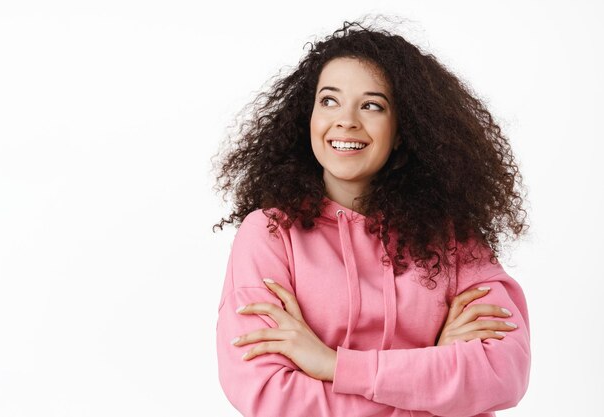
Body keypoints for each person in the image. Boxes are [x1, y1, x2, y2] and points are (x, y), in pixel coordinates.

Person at [212, 17, 530, 417]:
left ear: (401, 131)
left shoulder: (452, 237)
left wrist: (332, 364)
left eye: (372, 105)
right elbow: (268, 395)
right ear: (306, 117)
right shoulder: (270, 234)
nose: (346, 120)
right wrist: (433, 380)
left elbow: (505, 374)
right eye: (329, 100)